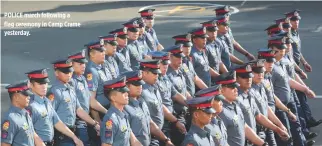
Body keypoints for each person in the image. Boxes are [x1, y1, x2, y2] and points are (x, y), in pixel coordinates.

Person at [268, 35, 315, 146]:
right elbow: (270, 92)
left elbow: (289, 79)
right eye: (281, 51)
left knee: (295, 125)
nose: (283, 53)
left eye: (284, 51)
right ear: (274, 51)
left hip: (289, 100)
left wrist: (305, 89)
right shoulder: (271, 68)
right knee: (286, 131)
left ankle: (301, 143)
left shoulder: (280, 63)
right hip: (280, 105)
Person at [48, 58, 100, 146]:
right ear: (56, 73)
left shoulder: (70, 88)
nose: (68, 75)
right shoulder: (54, 92)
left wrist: (94, 124)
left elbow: (79, 110)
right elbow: (51, 118)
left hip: (73, 131)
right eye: (65, 72)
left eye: (70, 72)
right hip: (61, 135)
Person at [233, 64, 289, 145]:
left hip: (256, 135)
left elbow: (259, 116)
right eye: (244, 77)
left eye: (249, 76)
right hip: (245, 140)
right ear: (237, 79)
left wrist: (277, 129)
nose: (248, 79)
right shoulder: (236, 98)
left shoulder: (250, 94)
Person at [25, 68, 83, 146]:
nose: (44, 86)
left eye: (45, 83)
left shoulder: (47, 102)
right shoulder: (30, 106)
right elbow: (29, 130)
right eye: (40, 84)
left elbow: (57, 122)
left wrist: (74, 137)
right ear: (31, 85)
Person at [285, 9, 322, 128]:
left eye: (297, 20)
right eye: (293, 20)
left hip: (295, 66)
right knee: (299, 97)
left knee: (300, 96)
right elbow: (289, 57)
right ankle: (305, 123)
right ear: (288, 21)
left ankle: (306, 121)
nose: (296, 23)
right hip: (291, 69)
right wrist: (299, 70)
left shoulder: (295, 33)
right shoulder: (286, 37)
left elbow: (297, 52)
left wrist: (304, 62)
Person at [213, 71, 268, 146]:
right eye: (232, 87)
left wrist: (262, 144)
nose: (236, 90)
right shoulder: (220, 112)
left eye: (235, 86)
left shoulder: (235, 105)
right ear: (221, 91)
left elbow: (244, 127)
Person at [139, 59, 186, 146]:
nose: (157, 76)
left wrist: (176, 121)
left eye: (157, 73)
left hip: (160, 133)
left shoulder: (153, 86)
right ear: (144, 73)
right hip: (149, 137)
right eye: (154, 73)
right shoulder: (140, 91)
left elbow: (161, 106)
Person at [122, 70, 174, 146]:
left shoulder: (142, 102)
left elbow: (151, 124)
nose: (139, 87)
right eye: (136, 84)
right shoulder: (124, 107)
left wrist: (166, 140)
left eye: (140, 84)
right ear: (127, 86)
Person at [149, 49, 189, 145]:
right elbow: (160, 106)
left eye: (167, 64)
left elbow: (175, 95)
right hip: (162, 123)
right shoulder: (154, 81)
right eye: (163, 64)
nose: (166, 67)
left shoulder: (165, 78)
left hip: (171, 119)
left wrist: (191, 104)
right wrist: (175, 121)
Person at [68, 50, 107, 145]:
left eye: (84, 63)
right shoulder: (71, 82)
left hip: (87, 120)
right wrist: (94, 123)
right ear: (71, 64)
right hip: (78, 123)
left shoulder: (83, 79)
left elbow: (90, 101)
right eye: (80, 63)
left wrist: (106, 112)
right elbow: (77, 108)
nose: (83, 66)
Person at [100, 76, 142, 146]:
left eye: (126, 91)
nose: (127, 94)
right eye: (123, 92)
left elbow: (134, 140)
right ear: (113, 98)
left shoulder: (123, 115)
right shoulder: (110, 120)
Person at [2, 80, 44, 146]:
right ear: (16, 97)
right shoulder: (10, 118)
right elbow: (5, 144)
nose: (29, 97)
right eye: (26, 95)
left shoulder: (26, 113)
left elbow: (34, 135)